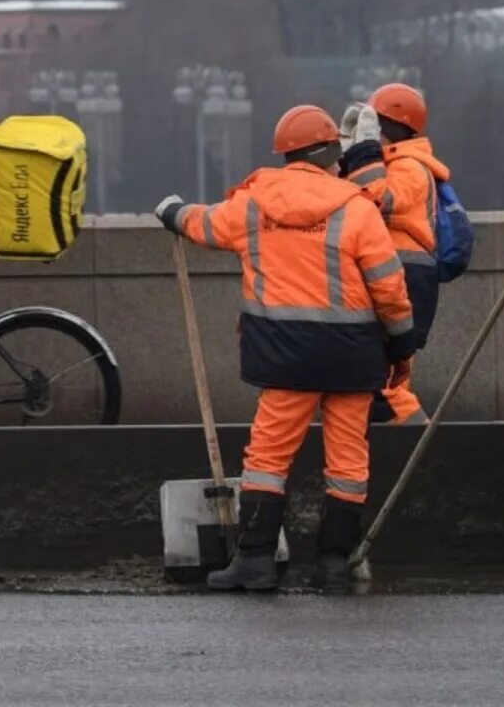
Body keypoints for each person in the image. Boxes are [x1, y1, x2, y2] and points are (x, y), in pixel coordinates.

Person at [155, 105, 415, 593]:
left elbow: (207, 225)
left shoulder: (257, 201)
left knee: (269, 456)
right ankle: (334, 564)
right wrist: (401, 347)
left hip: (283, 355)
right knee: (347, 461)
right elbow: (389, 287)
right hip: (352, 356)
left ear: (287, 154)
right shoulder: (356, 207)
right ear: (331, 155)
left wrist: (172, 212)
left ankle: (254, 560)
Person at [338, 83, 450, 425]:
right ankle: (412, 452)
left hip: (404, 281)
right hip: (394, 278)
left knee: (386, 388)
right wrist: (348, 157)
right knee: (380, 383)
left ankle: (420, 449)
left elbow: (377, 200)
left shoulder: (411, 168)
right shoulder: (394, 164)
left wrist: (364, 153)